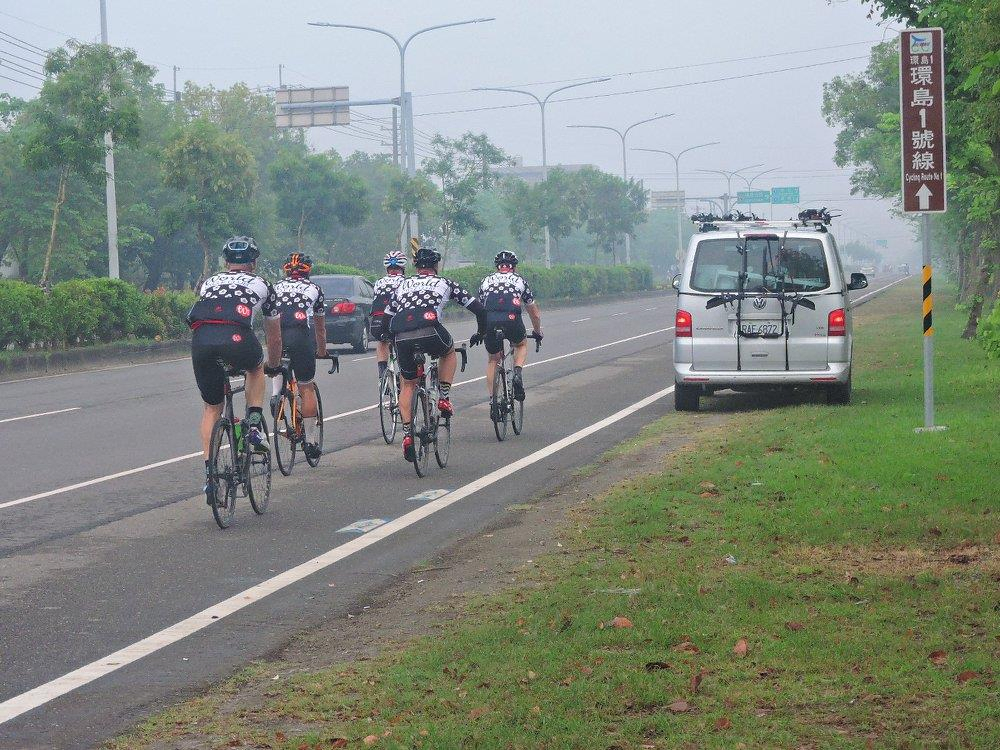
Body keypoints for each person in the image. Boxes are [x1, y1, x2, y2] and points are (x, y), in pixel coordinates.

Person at [187, 236, 282, 506]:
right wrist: (272, 367)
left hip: (202, 342)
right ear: (254, 262)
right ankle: (253, 423)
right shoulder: (263, 284)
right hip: (238, 340)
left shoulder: (209, 282)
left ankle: (210, 476)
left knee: (211, 408)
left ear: (225, 261)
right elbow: (274, 338)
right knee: (255, 367)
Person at [383, 246, 486, 463]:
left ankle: (407, 434)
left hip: (402, 336)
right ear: (436, 266)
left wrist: (392, 340)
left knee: (408, 383)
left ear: (415, 267)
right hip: (431, 330)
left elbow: (386, 318)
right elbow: (478, 308)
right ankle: (444, 398)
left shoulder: (403, 284)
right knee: (448, 352)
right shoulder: (445, 283)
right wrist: (481, 332)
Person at [270, 252, 327, 460]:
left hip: (277, 334)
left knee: (277, 366)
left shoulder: (274, 288)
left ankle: (276, 395)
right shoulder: (315, 290)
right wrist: (322, 351)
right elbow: (320, 328)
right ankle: (311, 441)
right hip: (302, 335)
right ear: (308, 270)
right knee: (306, 386)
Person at [474, 250, 542, 408]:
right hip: (512, 318)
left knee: (493, 359)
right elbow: (534, 312)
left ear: (498, 267)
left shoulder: (486, 280)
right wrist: (537, 332)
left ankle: (493, 402)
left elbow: (480, 306)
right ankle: (517, 372)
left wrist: (481, 330)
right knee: (521, 344)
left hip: (489, 320)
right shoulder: (520, 280)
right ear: (514, 267)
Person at [370, 250, 408, 379]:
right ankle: (404, 371)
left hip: (376, 322)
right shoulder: (406, 282)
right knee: (401, 343)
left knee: (382, 342)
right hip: (396, 320)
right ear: (402, 267)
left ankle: (383, 374)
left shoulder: (378, 282)